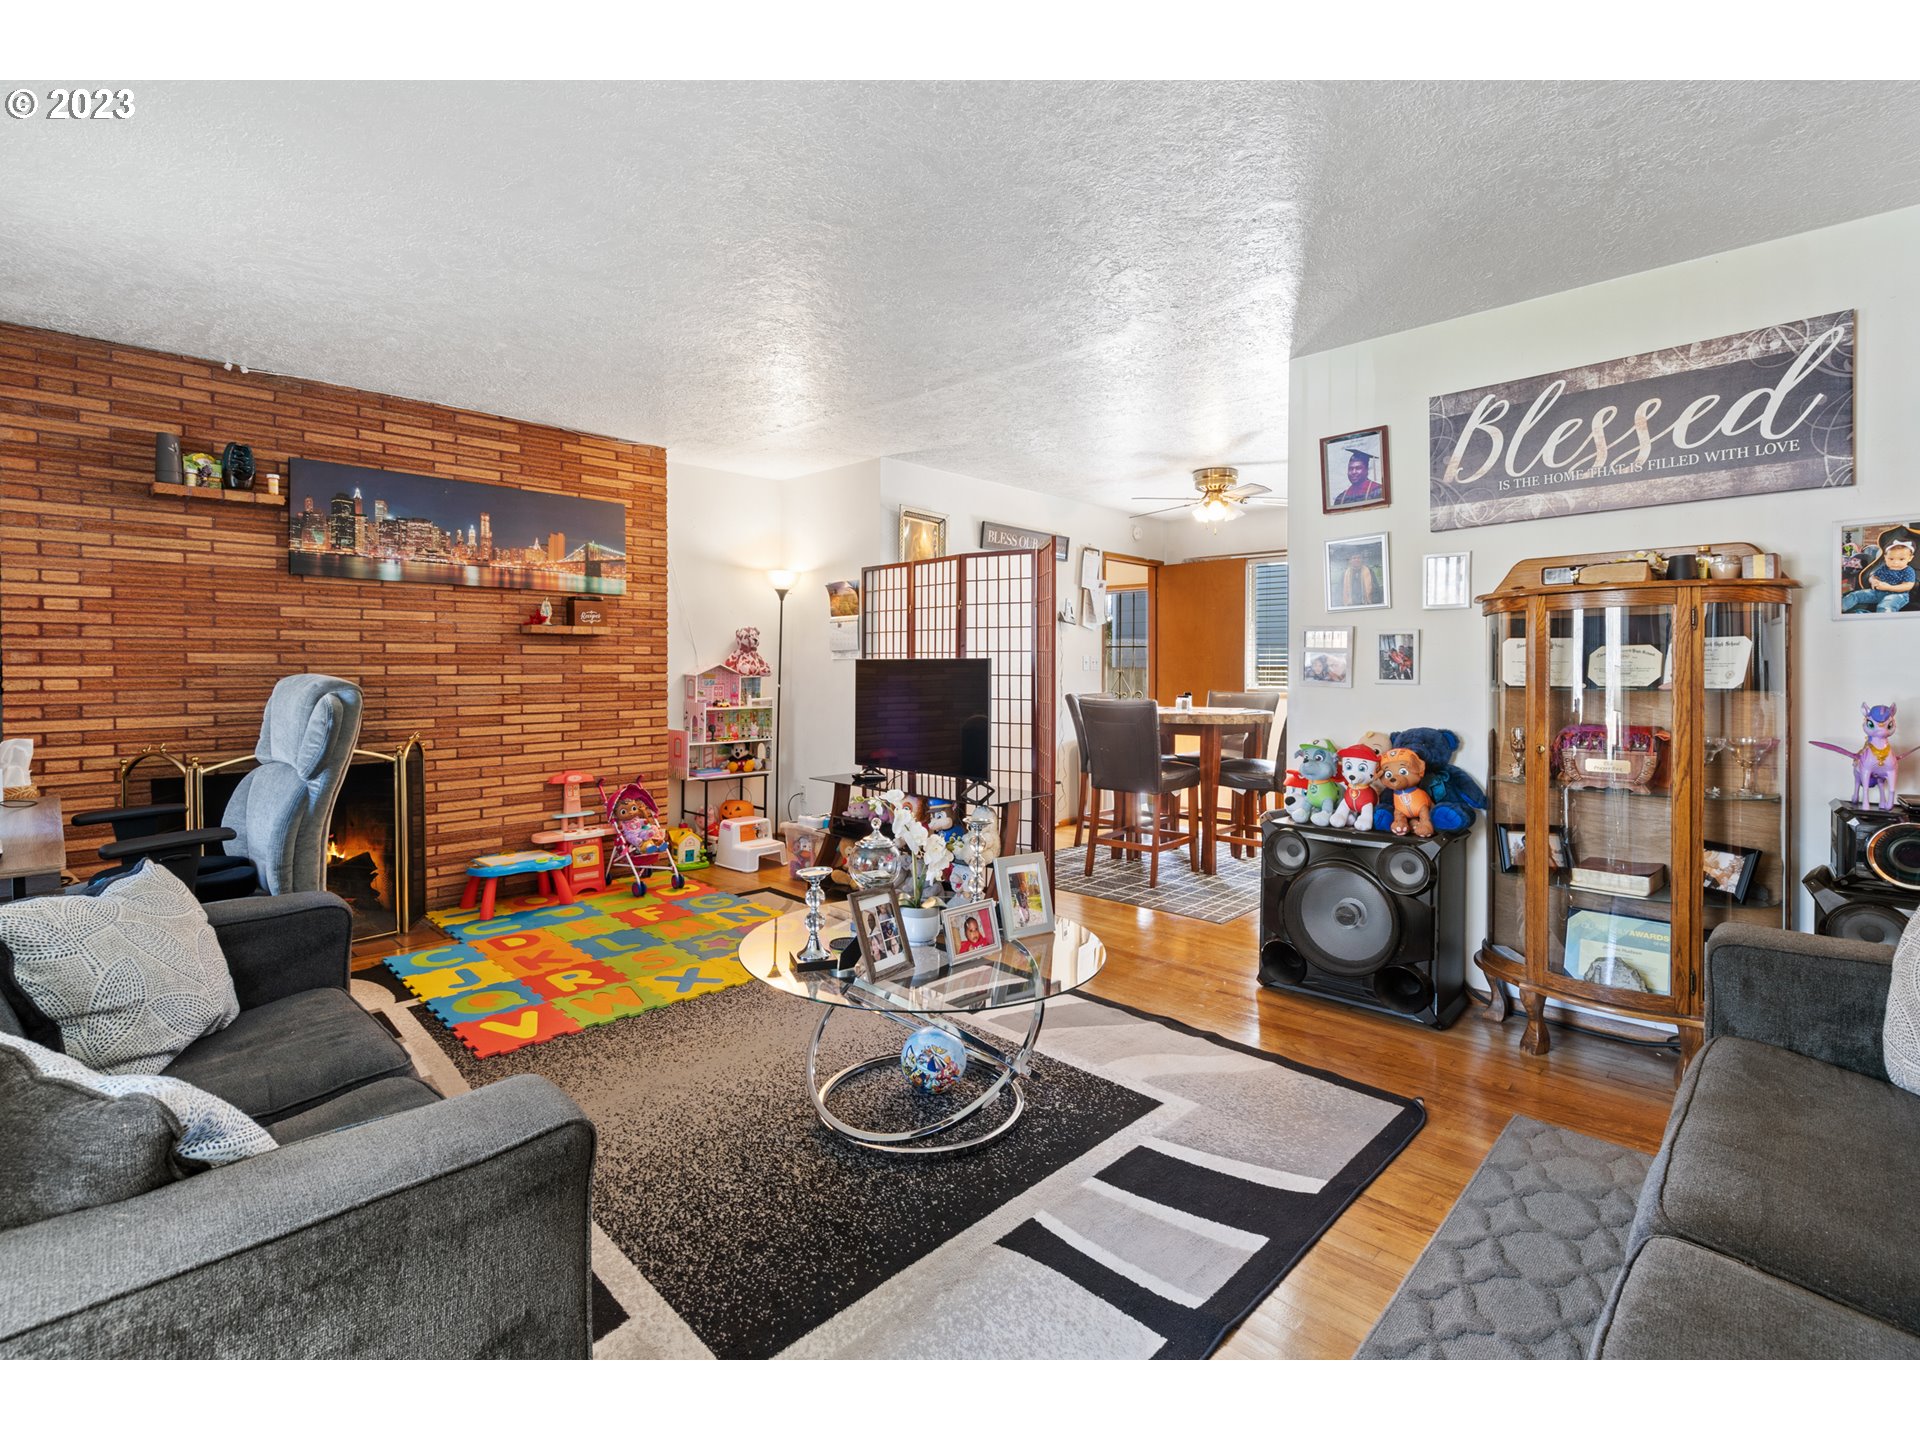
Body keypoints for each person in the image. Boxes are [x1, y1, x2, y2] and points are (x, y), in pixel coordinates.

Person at [1842, 528, 1917, 614]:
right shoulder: (1884, 568)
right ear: (1885, 557)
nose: (1895, 562)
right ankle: (1840, 610)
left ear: (1910, 558)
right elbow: (1873, 576)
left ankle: (1882, 623)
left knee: (1885, 606)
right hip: (1878, 592)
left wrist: (1889, 587)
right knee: (1855, 595)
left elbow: (1908, 586)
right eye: (1891, 559)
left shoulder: (1908, 570)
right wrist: (1874, 581)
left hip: (1898, 595)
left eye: (1901, 559)